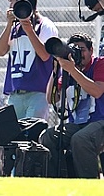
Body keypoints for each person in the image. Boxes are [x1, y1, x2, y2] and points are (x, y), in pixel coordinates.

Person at [39, 33, 104, 178]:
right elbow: (51, 98)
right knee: (48, 136)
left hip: (100, 121)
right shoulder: (68, 71)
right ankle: (57, 183)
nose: (78, 53)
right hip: (78, 124)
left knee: (80, 139)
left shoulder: (99, 64)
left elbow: (97, 91)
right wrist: (56, 69)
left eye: (82, 49)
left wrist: (72, 70)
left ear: (91, 50)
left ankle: (89, 187)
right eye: (75, 50)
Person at [0, 0, 59, 120]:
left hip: (38, 92)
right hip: (15, 93)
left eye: (12, 2)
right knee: (14, 138)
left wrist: (30, 31)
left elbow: (45, 56)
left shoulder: (45, 25)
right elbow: (0, 51)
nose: (10, 7)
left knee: (31, 135)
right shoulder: (14, 28)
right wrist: (9, 25)